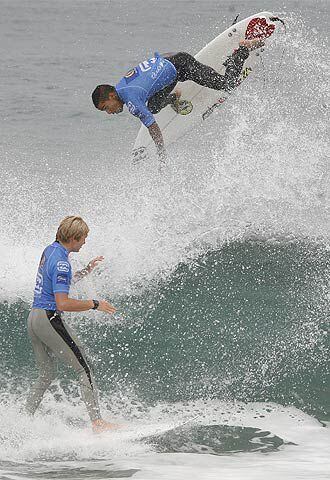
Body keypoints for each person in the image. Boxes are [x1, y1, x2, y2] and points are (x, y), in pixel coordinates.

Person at [91, 38, 263, 162]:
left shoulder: (131, 100)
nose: (109, 112)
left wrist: (161, 153)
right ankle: (174, 96)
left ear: (112, 96)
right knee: (153, 107)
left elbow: (152, 126)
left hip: (181, 65)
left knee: (227, 84)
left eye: (106, 107)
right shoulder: (122, 86)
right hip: (169, 61)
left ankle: (243, 49)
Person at [26, 216, 117, 433]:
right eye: (84, 238)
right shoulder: (62, 263)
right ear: (74, 238)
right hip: (48, 318)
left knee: (46, 373)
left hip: (33, 318)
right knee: (84, 367)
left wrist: (86, 271)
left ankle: (24, 419)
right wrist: (95, 304)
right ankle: (98, 423)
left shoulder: (50, 250)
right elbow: (63, 302)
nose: (85, 242)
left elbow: (56, 281)